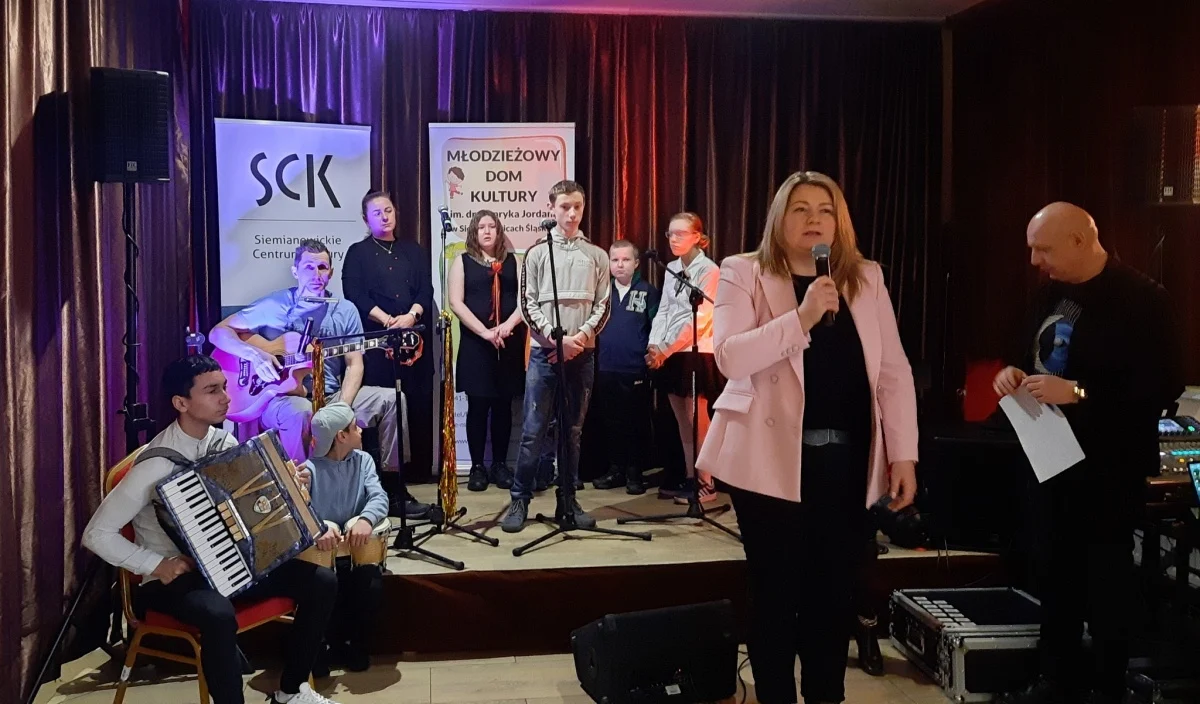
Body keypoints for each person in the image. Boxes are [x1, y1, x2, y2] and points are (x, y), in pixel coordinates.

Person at [696, 171, 919, 704]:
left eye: (825, 209)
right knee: (774, 595)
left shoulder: (866, 277)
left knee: (833, 595)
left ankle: (826, 696)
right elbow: (729, 357)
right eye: (800, 208)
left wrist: (904, 455)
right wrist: (802, 316)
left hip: (847, 465)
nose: (813, 218)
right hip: (767, 464)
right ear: (780, 218)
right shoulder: (743, 271)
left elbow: (893, 373)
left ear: (839, 222)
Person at [993, 202, 1183, 704]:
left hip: (1108, 469)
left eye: (1044, 249)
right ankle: (1056, 679)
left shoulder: (1143, 298)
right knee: (1052, 575)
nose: (1035, 260)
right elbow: (1027, 355)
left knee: (1106, 581)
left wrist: (1078, 393)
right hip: (1047, 456)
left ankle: (1107, 684)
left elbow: (1163, 384)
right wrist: (1011, 373)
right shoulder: (1048, 294)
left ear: (1080, 240)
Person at [82, 355, 341, 704]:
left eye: (224, 387)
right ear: (181, 403)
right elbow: (96, 534)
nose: (226, 398)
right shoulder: (154, 465)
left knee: (321, 581)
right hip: (171, 582)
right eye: (212, 390)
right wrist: (156, 565)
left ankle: (291, 691)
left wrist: (289, 488)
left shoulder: (224, 444)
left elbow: (251, 511)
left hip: (229, 566)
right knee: (217, 613)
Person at [209, 239, 429, 519]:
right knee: (302, 413)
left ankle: (392, 489)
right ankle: (301, 501)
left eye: (322, 267)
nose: (316, 274)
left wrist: (342, 408)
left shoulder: (344, 310)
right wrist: (255, 355)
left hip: (332, 395)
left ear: (331, 272)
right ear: (295, 271)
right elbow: (218, 333)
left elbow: (354, 364)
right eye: (308, 267)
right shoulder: (275, 304)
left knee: (392, 400)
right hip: (283, 398)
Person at [500, 179, 610, 532]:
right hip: (545, 355)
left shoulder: (596, 255)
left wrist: (579, 338)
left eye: (578, 206)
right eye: (565, 207)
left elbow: (603, 304)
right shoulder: (536, 253)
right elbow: (527, 303)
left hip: (581, 354)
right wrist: (554, 339)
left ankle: (568, 499)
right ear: (552, 208)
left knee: (572, 431)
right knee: (533, 431)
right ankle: (520, 498)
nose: (572, 213)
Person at [342, 190, 435, 484]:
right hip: (377, 342)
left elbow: (426, 289)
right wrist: (386, 321)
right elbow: (354, 294)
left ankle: (415, 473)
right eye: (377, 213)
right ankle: (383, 477)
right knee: (385, 405)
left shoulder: (413, 250)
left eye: (388, 210)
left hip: (415, 339)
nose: (384, 217)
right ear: (366, 219)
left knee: (416, 401)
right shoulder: (358, 253)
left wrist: (411, 316)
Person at [304, 402, 389, 674]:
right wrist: (319, 527)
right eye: (354, 427)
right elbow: (300, 511)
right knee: (323, 586)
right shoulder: (309, 470)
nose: (360, 430)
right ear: (341, 436)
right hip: (324, 557)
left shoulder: (363, 461)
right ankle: (321, 646)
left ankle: (356, 644)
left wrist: (366, 519)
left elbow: (379, 496)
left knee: (370, 582)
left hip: (356, 552)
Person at [447, 209, 526, 492]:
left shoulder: (514, 262)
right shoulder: (463, 261)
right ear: (474, 232)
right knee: (478, 407)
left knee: (504, 406)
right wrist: (485, 332)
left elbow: (524, 300)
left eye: (492, 226)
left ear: (499, 231)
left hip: (508, 342)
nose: (487, 231)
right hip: (477, 345)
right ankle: (478, 467)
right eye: (482, 227)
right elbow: (456, 302)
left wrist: (506, 327)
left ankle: (500, 465)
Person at [646, 213, 721, 503]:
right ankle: (691, 478)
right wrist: (655, 345)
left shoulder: (709, 270)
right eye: (670, 234)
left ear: (697, 237)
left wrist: (665, 348)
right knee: (682, 421)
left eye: (680, 233)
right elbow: (664, 310)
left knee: (697, 420)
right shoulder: (672, 268)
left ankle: (707, 482)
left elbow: (700, 318)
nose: (673, 239)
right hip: (670, 352)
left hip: (695, 351)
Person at [592, 239, 660, 494]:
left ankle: (635, 472)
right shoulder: (602, 292)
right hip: (606, 366)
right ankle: (616, 469)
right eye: (615, 260)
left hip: (635, 369)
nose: (620, 265)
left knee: (635, 421)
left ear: (637, 263)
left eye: (626, 260)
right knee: (611, 421)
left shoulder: (648, 291)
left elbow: (656, 326)